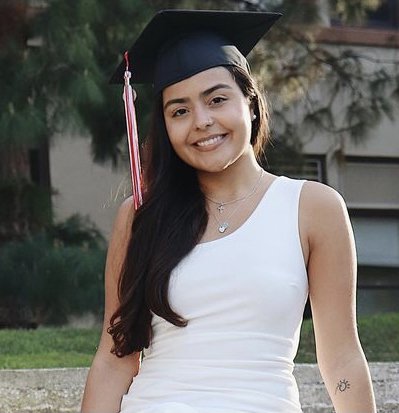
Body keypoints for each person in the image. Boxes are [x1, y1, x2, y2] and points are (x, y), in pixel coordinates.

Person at [81, 9, 377, 413]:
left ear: (251, 104)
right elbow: (114, 358)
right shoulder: (140, 216)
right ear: (165, 126)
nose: (202, 121)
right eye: (179, 111)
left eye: (217, 99)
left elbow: (340, 357)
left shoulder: (313, 208)